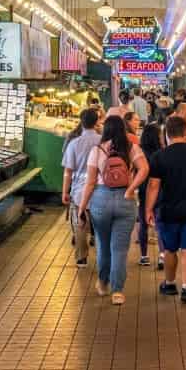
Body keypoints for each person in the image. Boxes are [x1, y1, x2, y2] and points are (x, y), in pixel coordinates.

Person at [79, 113, 149, 305]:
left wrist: (82, 207)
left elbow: (91, 182)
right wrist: (132, 188)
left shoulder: (98, 150)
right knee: (119, 249)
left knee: (103, 244)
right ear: (123, 130)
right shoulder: (131, 147)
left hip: (101, 199)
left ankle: (103, 283)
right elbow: (144, 169)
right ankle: (118, 292)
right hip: (125, 200)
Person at [145, 113, 186, 303]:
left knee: (169, 249)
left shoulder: (159, 156)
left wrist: (148, 209)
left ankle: (169, 283)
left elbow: (153, 186)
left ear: (167, 133)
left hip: (168, 210)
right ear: (185, 132)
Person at [61, 106, 101, 267]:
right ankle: (102, 256)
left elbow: (67, 172)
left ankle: (81, 257)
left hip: (79, 191)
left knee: (80, 224)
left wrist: (65, 191)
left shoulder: (74, 143)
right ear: (97, 122)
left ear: (81, 122)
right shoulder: (103, 141)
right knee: (100, 225)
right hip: (100, 189)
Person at [136, 107, 165, 268]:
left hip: (143, 190)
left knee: (143, 223)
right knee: (160, 223)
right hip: (160, 190)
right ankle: (161, 255)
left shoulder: (139, 152)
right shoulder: (162, 153)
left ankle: (144, 256)